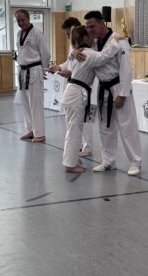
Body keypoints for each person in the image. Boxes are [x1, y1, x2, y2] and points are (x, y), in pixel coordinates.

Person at [49, 25, 125, 173]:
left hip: (73, 92)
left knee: (73, 129)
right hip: (76, 93)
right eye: (90, 35)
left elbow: (69, 64)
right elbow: (104, 56)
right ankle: (70, 165)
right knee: (74, 130)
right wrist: (115, 41)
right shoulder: (87, 54)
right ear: (84, 37)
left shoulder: (78, 53)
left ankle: (70, 161)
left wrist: (64, 61)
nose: (93, 38)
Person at [80, 10, 142, 176]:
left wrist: (122, 94)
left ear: (102, 23)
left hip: (118, 86)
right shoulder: (93, 43)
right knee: (105, 127)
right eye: (87, 27)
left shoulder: (119, 41)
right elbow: (86, 55)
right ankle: (108, 161)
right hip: (103, 88)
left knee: (127, 126)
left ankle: (135, 161)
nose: (89, 30)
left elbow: (126, 69)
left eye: (92, 26)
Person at [61, 16, 95, 157]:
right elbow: (70, 64)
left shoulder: (92, 44)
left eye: (69, 33)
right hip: (79, 87)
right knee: (76, 123)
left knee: (85, 120)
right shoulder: (75, 48)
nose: (68, 36)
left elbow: (101, 57)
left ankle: (87, 147)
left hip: (88, 86)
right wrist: (60, 67)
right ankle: (77, 149)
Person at [15, 9, 50, 143]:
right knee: (25, 102)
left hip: (34, 70)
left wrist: (44, 70)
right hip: (22, 70)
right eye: (18, 20)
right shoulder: (19, 34)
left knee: (36, 103)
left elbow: (45, 54)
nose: (20, 23)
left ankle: (40, 133)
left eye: (22, 19)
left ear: (29, 18)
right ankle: (31, 130)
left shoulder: (37, 33)